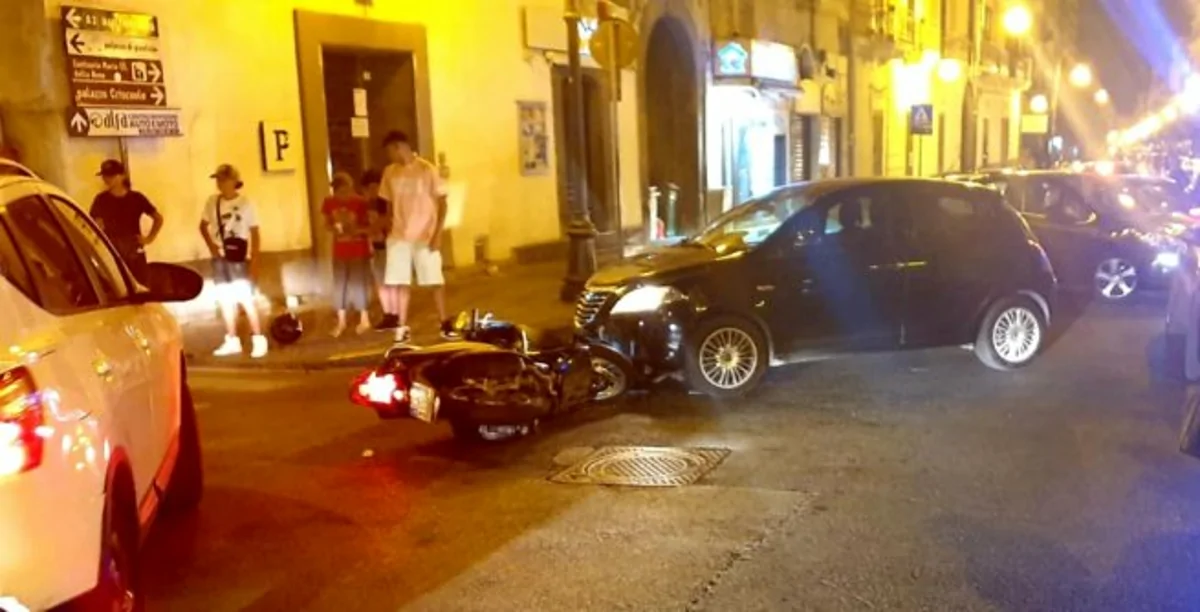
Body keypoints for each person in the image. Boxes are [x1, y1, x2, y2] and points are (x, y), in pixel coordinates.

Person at [376, 131, 449, 344]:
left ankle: (444, 321)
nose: (389, 156)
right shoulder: (390, 172)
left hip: (425, 233)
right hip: (399, 234)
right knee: (400, 281)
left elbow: (442, 202)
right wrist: (387, 226)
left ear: (400, 147)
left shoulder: (427, 170)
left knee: (434, 279)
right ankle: (402, 324)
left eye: (390, 150)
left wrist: (438, 234)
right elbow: (388, 203)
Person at [199, 164, 268, 358]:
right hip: (220, 255)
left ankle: (258, 337)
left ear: (233, 181)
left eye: (223, 180)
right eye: (218, 180)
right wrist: (212, 247)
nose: (220, 184)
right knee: (225, 299)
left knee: (244, 297)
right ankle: (231, 338)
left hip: (239, 255)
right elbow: (203, 225)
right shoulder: (212, 202)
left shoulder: (246, 204)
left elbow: (255, 232)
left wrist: (255, 259)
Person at [89, 159, 163, 283]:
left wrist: (149, 238)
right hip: (111, 249)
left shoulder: (136, 198)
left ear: (122, 176)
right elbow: (93, 224)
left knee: (141, 287)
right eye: (105, 176)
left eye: (111, 176)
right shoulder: (101, 199)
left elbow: (158, 218)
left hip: (133, 250)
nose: (107, 179)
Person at [323, 171, 373, 336]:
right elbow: (327, 223)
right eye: (338, 191)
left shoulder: (360, 202)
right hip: (340, 250)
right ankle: (341, 320)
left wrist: (356, 231)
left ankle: (364, 319)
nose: (342, 195)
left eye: (345, 190)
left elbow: (369, 224)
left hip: (358, 248)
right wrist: (334, 229)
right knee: (340, 285)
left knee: (358, 284)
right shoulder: (329, 202)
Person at [360, 169, 393, 313]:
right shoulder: (364, 205)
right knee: (380, 281)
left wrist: (369, 229)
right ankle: (388, 311)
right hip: (375, 247)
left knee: (390, 280)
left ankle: (394, 310)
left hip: (388, 246)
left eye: (375, 187)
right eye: (369, 188)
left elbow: (387, 222)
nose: (372, 191)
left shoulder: (386, 204)